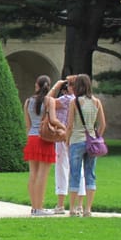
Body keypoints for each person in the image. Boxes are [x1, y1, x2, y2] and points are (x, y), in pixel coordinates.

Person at [66, 74, 107, 217]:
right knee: (90, 174)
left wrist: (67, 140)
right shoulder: (96, 102)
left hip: (77, 140)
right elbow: (103, 124)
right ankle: (88, 209)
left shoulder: (75, 102)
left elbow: (70, 125)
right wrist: (97, 136)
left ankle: (72, 208)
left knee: (75, 174)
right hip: (92, 142)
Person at [23, 75, 62, 216]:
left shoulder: (28, 102)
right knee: (43, 175)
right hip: (44, 139)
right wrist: (63, 127)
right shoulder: (49, 101)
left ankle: (34, 207)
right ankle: (39, 207)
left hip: (32, 138)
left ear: (36, 86)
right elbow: (52, 119)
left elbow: (27, 124)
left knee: (33, 173)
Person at [49, 75, 84, 214]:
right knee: (79, 170)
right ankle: (80, 205)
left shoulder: (66, 100)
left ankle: (61, 204)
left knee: (62, 168)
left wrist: (56, 86)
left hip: (65, 136)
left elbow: (48, 101)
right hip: (80, 137)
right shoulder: (84, 101)